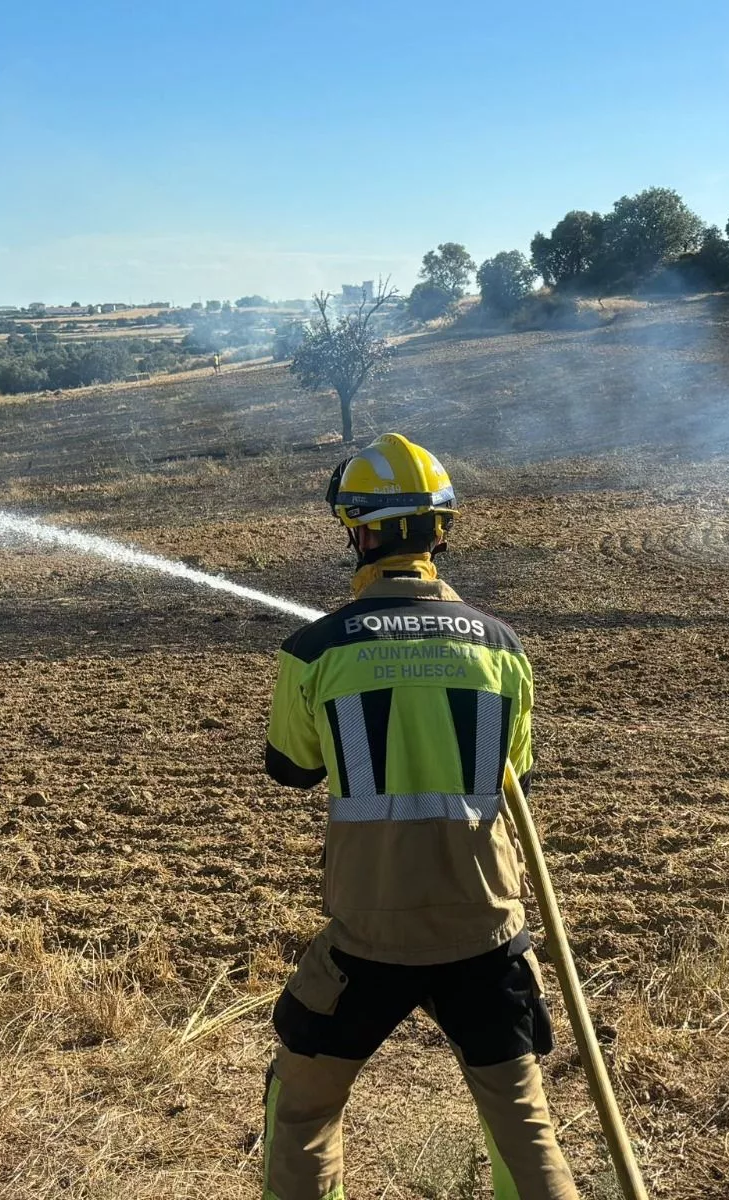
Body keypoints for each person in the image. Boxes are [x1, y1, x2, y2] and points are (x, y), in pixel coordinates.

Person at [261, 433, 577, 1199]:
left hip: (368, 933)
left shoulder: (314, 649)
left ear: (359, 531)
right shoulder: (504, 648)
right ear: (441, 530)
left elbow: (290, 767)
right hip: (486, 924)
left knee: (301, 1107)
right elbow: (517, 779)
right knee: (524, 1119)